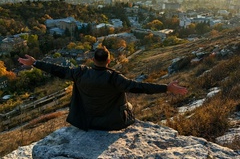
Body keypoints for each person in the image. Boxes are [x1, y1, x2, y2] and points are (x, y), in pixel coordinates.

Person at [18, 47, 187, 131]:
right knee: (130, 107)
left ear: (93, 59)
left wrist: (35, 63)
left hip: (85, 121)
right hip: (111, 123)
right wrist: (167, 88)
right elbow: (140, 87)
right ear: (109, 61)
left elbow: (58, 70)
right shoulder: (115, 78)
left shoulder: (80, 73)